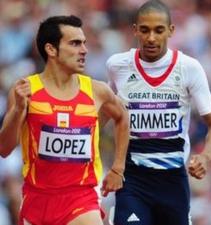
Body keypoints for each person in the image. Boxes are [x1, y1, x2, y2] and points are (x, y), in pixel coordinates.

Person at [0, 15, 129, 225]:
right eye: (75, 43)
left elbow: (122, 117)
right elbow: (4, 149)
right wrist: (18, 111)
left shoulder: (98, 91)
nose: (84, 50)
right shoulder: (25, 90)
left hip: (81, 199)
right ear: (51, 49)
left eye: (84, 43)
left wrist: (118, 168)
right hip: (37, 200)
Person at [106, 1, 211, 224]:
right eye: (144, 30)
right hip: (133, 179)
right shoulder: (117, 66)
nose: (151, 38)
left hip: (173, 181)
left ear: (171, 30)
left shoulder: (189, 67)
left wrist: (205, 156)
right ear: (134, 30)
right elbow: (105, 114)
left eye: (158, 30)